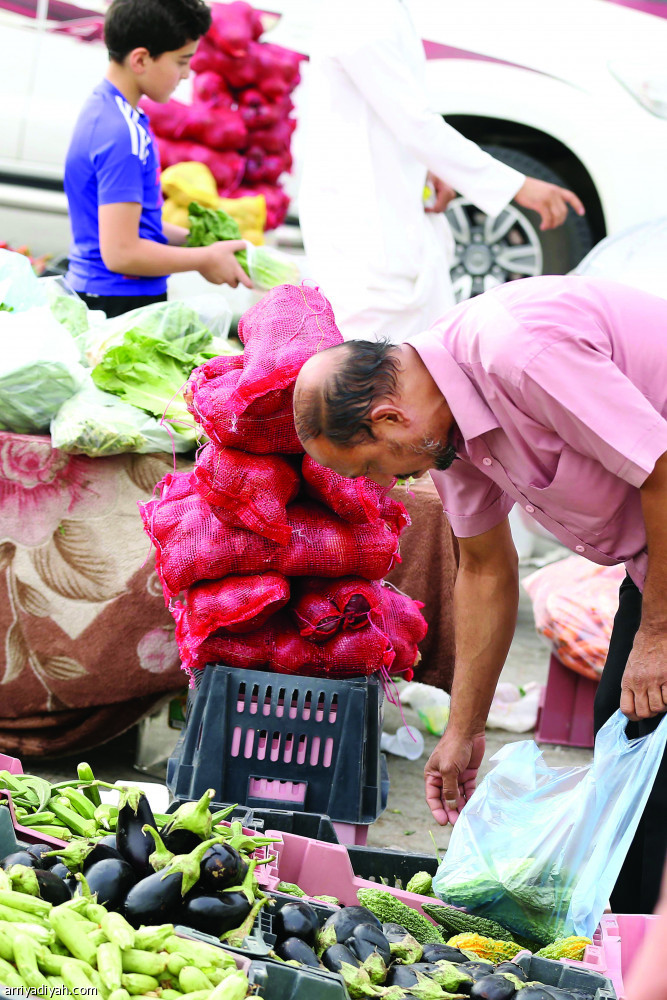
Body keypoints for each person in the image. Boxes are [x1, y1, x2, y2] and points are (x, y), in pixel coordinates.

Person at [293, 273, 667, 915]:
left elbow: (661, 467)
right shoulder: (445, 434)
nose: (386, 484)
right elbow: (486, 569)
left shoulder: (518, 354)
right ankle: (629, 958)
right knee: (630, 756)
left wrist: (658, 635)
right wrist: (462, 732)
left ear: (389, 418)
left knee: (646, 762)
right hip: (652, 561)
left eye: (372, 467)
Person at [298, 0, 585, 343]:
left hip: (393, 217)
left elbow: (396, 116)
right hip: (366, 221)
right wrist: (515, 186)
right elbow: (414, 122)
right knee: (376, 365)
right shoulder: (362, 13)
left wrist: (431, 168)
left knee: (416, 357)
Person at [64, 0, 252, 319]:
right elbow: (121, 253)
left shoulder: (106, 109)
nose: (187, 73)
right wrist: (203, 259)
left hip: (103, 295)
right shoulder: (121, 133)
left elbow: (127, 224)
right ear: (140, 59)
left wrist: (194, 239)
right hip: (117, 302)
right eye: (181, 61)